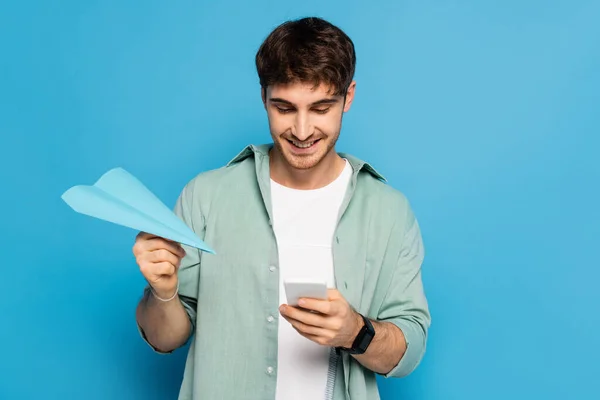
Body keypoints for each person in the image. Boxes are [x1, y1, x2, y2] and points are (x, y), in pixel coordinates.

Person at [134, 16, 431, 400]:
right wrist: (162, 293)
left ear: (349, 97)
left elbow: (409, 351)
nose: (303, 131)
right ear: (264, 98)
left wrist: (355, 332)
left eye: (321, 108)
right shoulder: (205, 195)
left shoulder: (389, 211)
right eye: (284, 108)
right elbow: (164, 339)